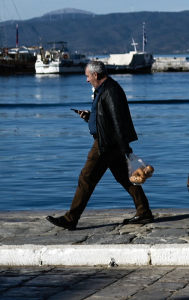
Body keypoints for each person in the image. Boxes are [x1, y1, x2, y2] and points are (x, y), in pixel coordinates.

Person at [46, 60, 153, 229]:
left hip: (106, 143)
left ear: (95, 74)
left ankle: (70, 219)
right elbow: (108, 117)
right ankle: (144, 212)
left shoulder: (110, 91)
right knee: (126, 178)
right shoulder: (105, 89)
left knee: (86, 178)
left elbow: (118, 120)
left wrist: (125, 148)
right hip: (112, 142)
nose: (87, 80)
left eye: (88, 76)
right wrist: (90, 117)